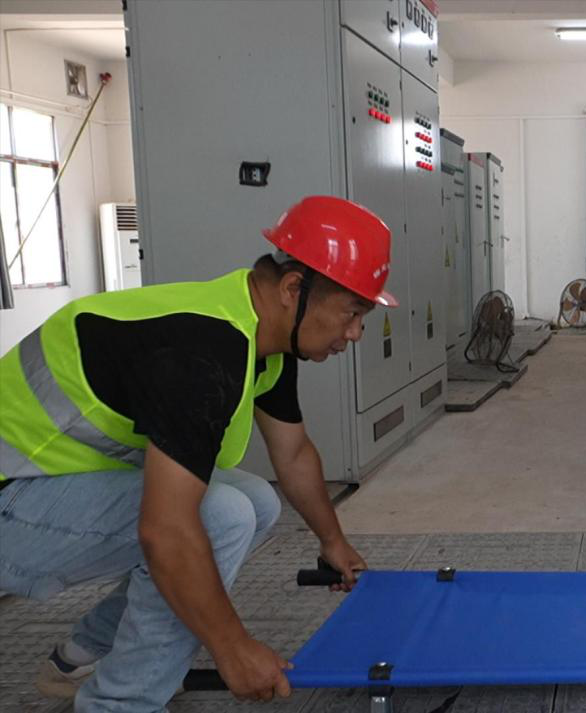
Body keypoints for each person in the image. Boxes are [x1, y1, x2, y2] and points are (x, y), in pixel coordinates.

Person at [0, 196, 394, 708]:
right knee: (219, 516)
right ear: (293, 289)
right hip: (13, 500)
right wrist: (232, 648)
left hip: (47, 482)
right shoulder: (201, 356)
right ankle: (120, 703)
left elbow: (293, 453)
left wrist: (332, 541)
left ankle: (85, 654)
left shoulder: (255, 333)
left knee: (257, 501)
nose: (355, 333)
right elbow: (165, 531)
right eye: (352, 312)